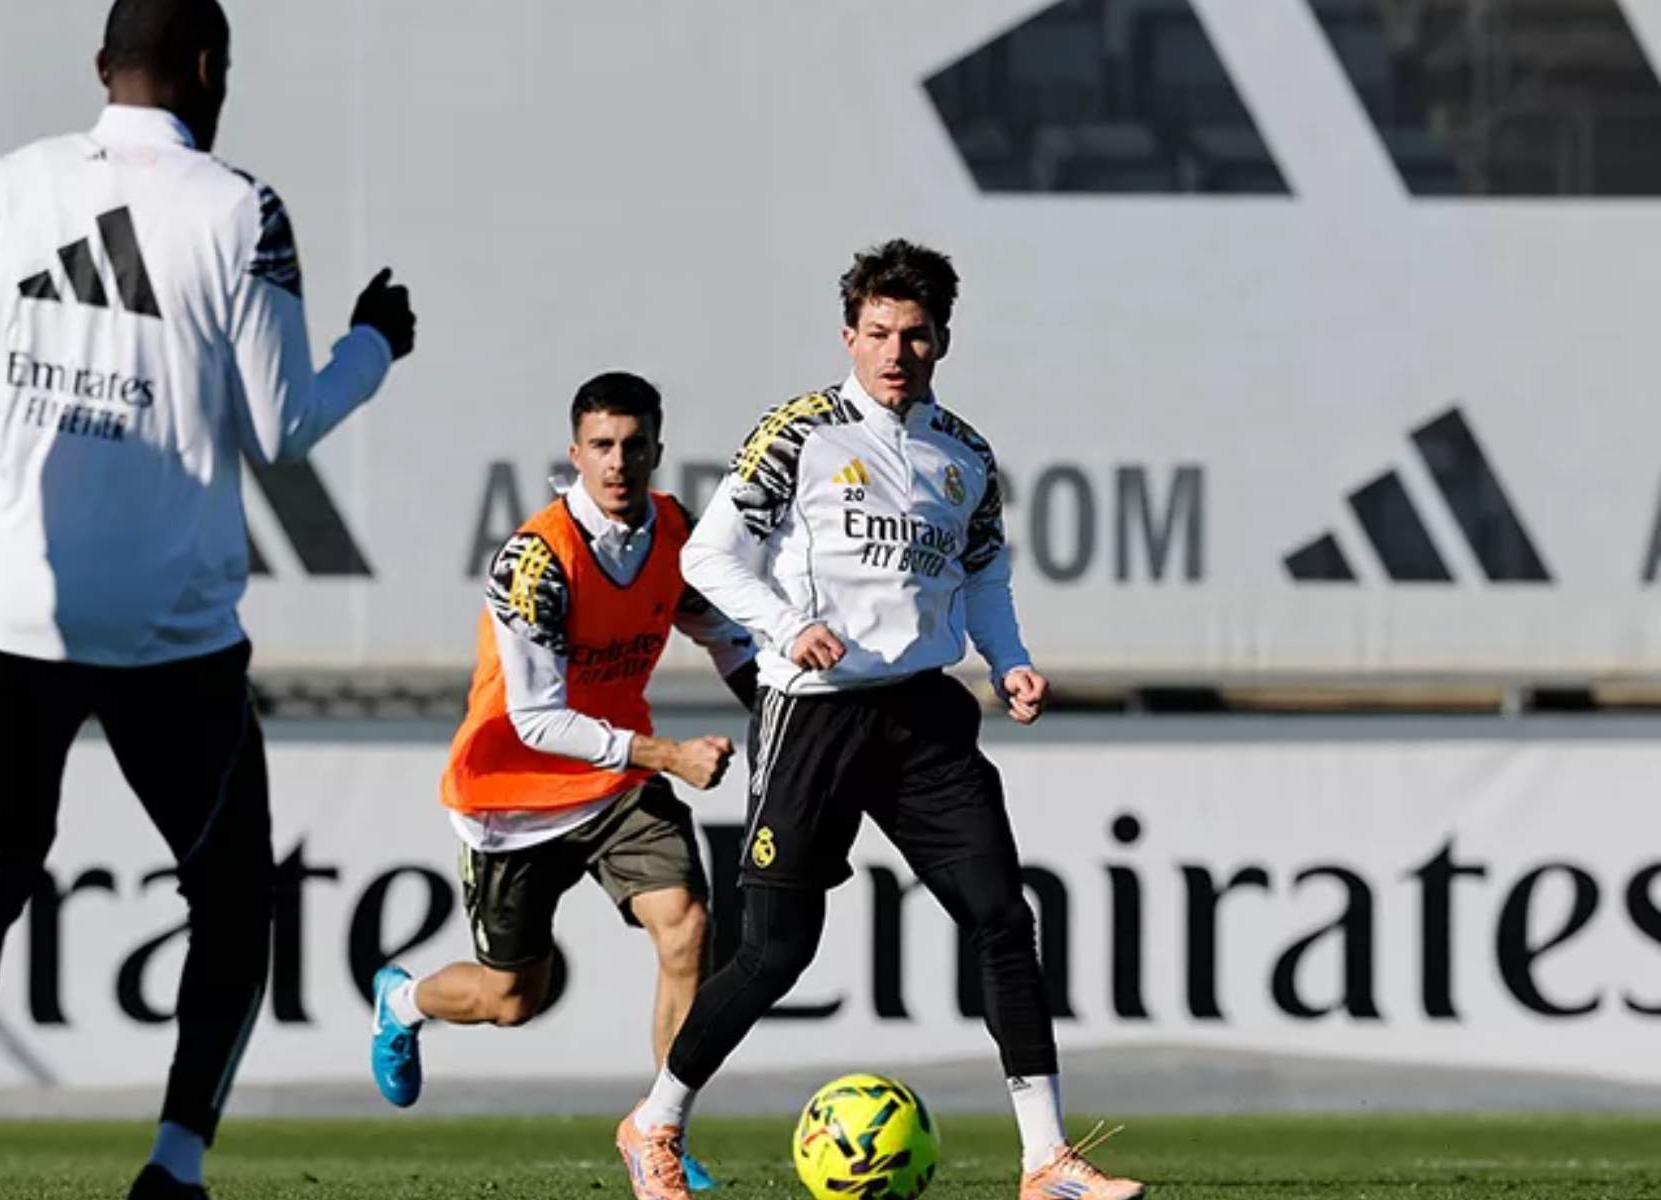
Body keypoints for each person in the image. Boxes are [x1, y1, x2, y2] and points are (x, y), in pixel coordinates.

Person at [0, 1, 416, 1197]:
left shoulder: (0, 187)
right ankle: (172, 1165)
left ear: (100, 66)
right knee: (231, 892)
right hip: (171, 633)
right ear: (209, 68)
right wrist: (374, 345)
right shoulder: (238, 209)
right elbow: (282, 427)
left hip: (18, 613)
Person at [613, 241, 1144, 1200]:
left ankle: (1046, 1160)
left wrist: (1009, 661)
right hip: (815, 716)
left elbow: (983, 576)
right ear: (850, 337)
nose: (897, 352)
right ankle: (655, 1123)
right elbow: (707, 557)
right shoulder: (801, 432)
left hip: (925, 718)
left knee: (1001, 919)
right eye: (879, 333)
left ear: (943, 341)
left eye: (916, 335)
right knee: (775, 953)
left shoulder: (964, 455)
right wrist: (789, 627)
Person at [370, 373, 754, 1193]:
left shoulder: (673, 533)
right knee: (513, 1000)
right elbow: (537, 721)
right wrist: (669, 756)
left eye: (634, 446)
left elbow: (724, 635)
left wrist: (782, 714)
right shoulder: (535, 560)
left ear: (657, 450)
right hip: (513, 795)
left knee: (686, 927)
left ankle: (661, 1131)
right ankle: (402, 1004)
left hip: (616, 787)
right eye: (602, 446)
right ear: (575, 453)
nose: (618, 463)